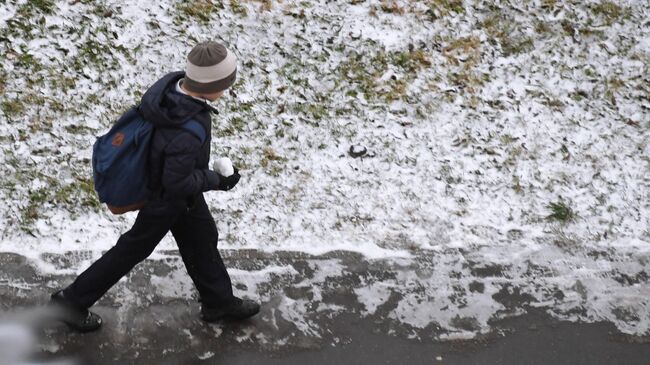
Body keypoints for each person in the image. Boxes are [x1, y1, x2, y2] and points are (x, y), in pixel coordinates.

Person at [49, 41, 260, 332]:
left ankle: (219, 301)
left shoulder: (173, 92)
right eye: (225, 84)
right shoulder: (187, 127)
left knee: (202, 236)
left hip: (179, 194)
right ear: (209, 85)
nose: (226, 90)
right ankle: (70, 302)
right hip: (167, 198)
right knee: (132, 249)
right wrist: (217, 181)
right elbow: (176, 181)